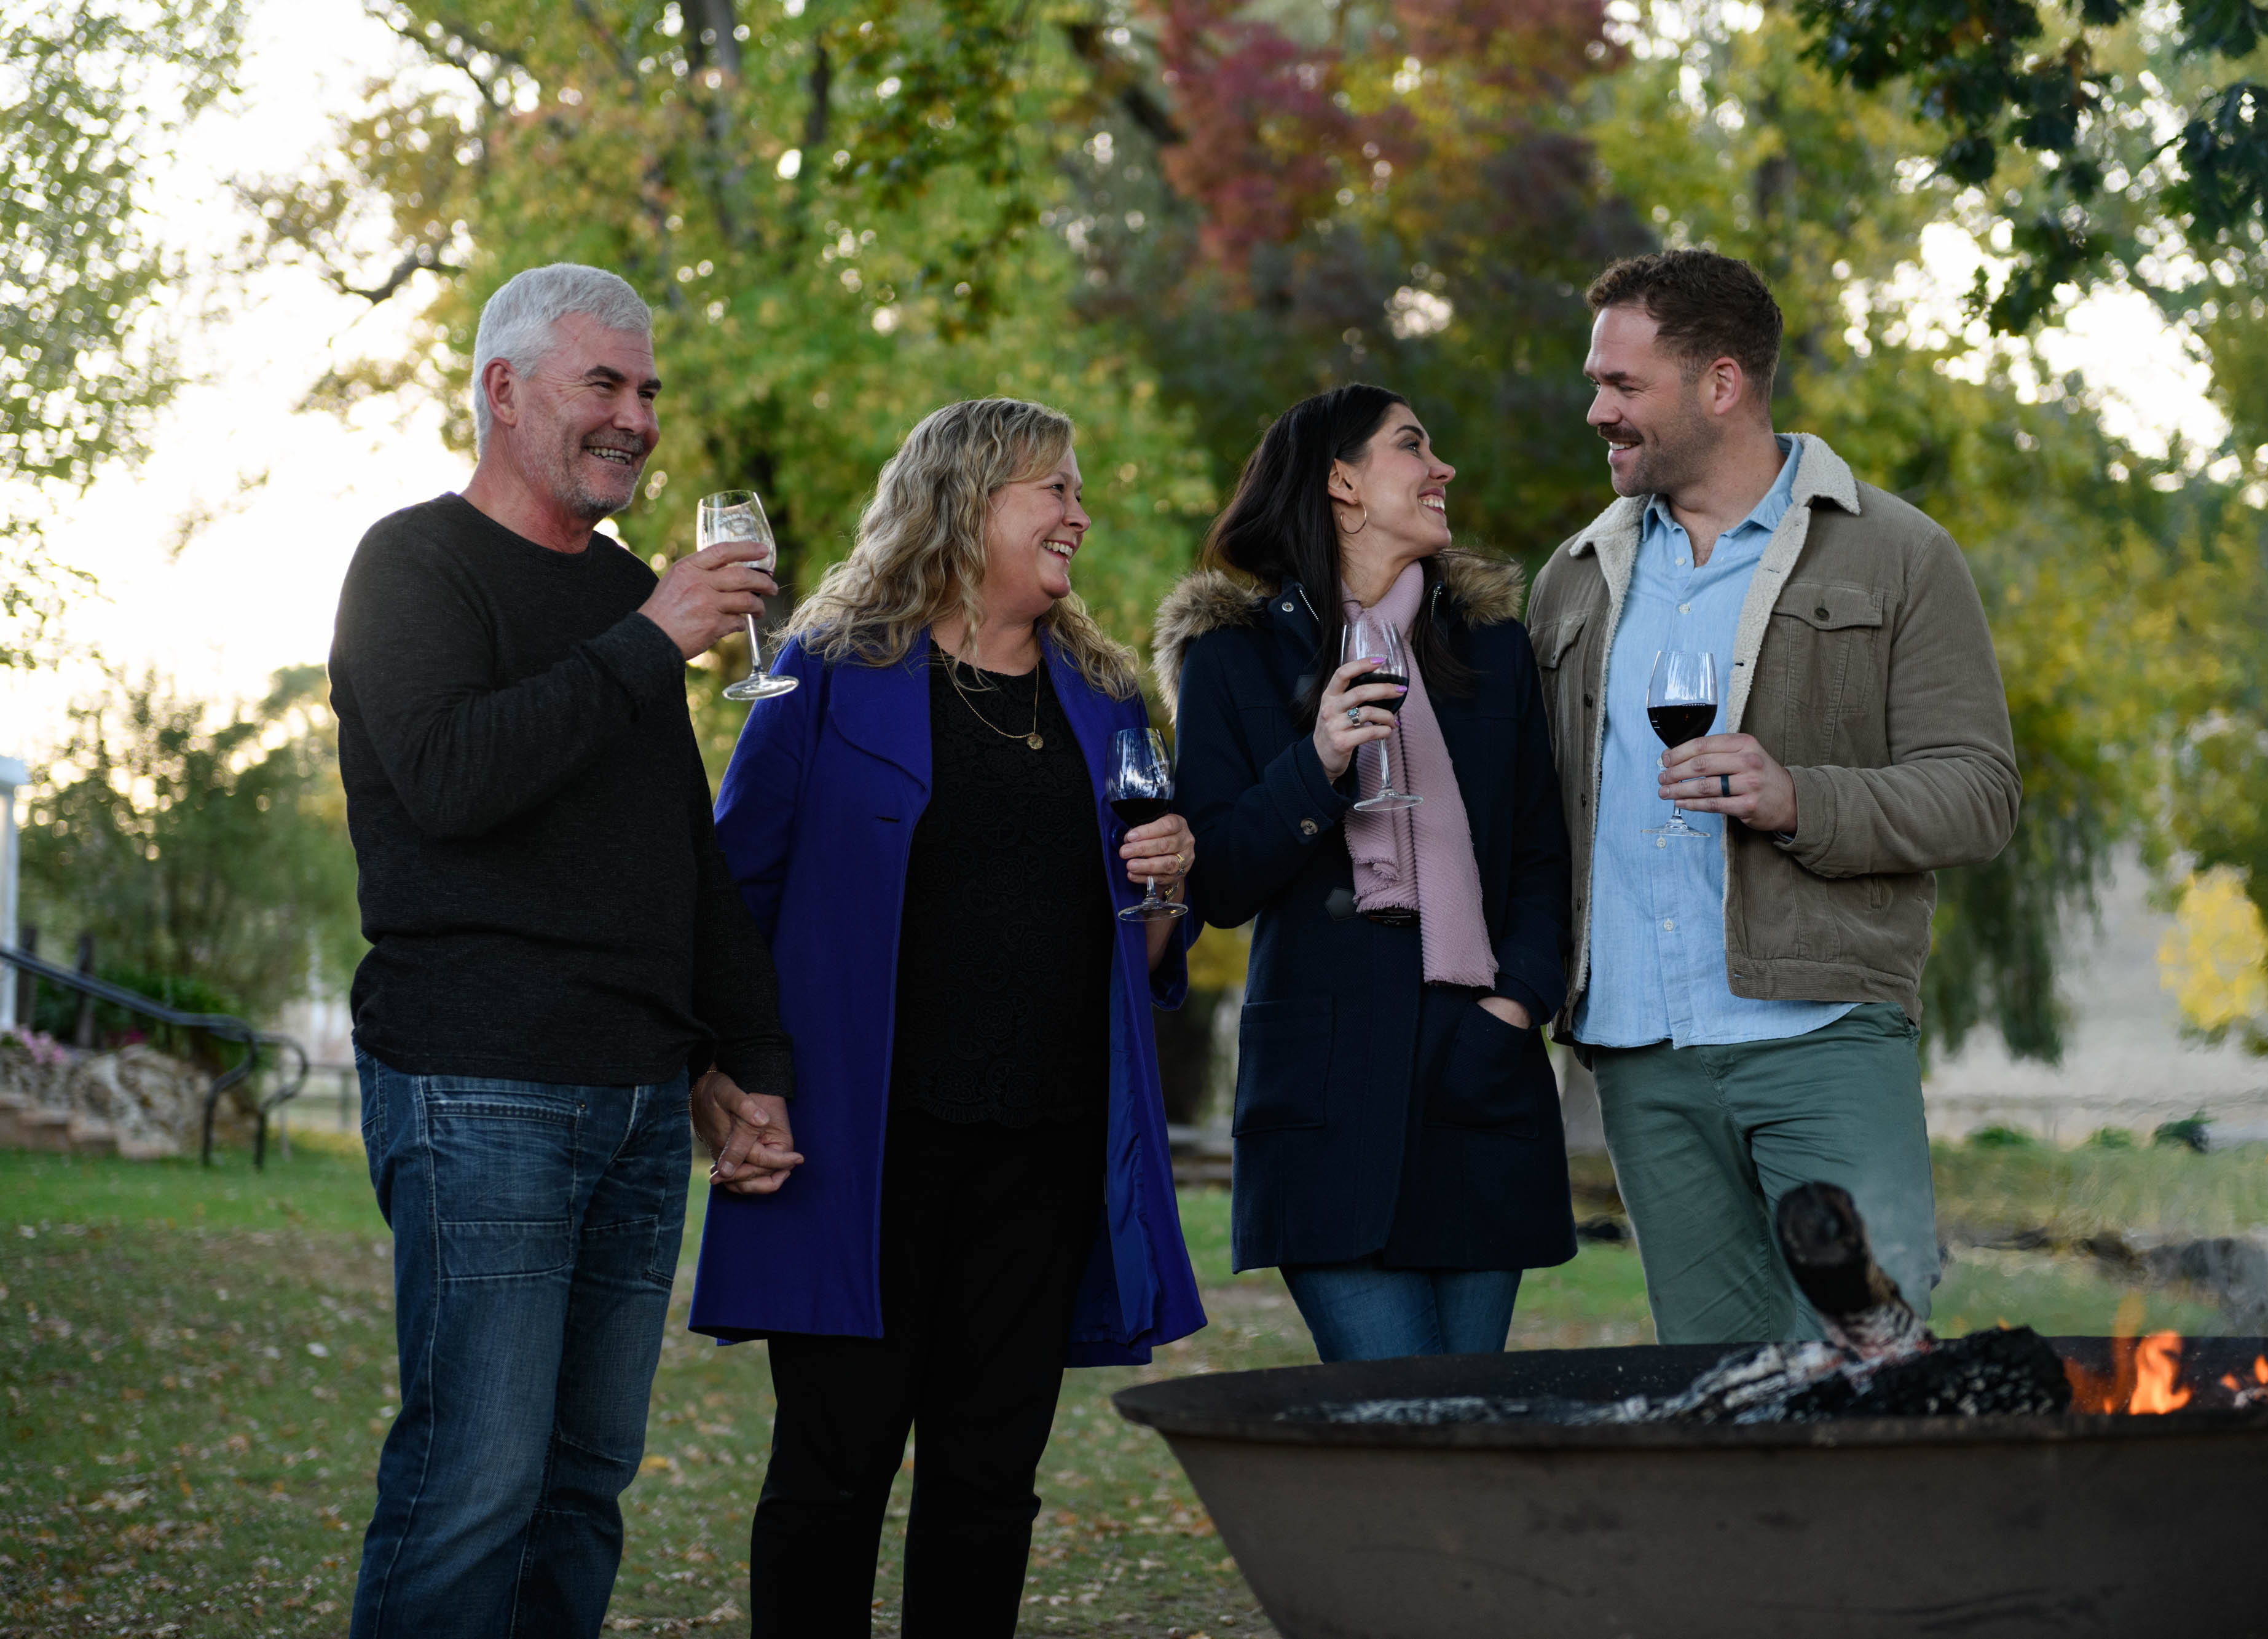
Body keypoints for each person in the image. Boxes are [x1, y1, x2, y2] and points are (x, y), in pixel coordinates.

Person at [684, 397, 1207, 1638]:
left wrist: (1168, 886)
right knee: (831, 1472)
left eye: (1078, 491)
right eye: (1054, 489)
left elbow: (1138, 951)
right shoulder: (823, 669)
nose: (1079, 514)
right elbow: (730, 886)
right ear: (967, 501)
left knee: (986, 1483)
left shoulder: (1103, 694)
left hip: (1043, 1148)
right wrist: (722, 1075)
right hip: (862, 1149)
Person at [329, 263, 798, 1638]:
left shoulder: (626, 590)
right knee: (473, 1481)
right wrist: (650, 639)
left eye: (648, 389)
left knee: (583, 1486)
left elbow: (679, 852)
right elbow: (452, 778)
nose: (638, 417)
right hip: (477, 1081)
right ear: (504, 390)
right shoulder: (410, 564)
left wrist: (741, 1055)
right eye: (603, 383)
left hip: (638, 1095)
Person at [1526, 249, 2022, 1346]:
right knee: (1717, 1390)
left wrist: (1800, 797)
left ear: (1721, 383)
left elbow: (1980, 793)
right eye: (1597, 382)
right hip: (1638, 1052)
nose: (1597, 409)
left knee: (1871, 1360)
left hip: (1822, 1036)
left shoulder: (1900, 554)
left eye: (1623, 385)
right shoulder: (1572, 577)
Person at [1156, 383, 1575, 1363]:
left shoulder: (1495, 652)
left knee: (1467, 1424)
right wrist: (1319, 763)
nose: (1444, 470)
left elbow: (1544, 853)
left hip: (1478, 1077)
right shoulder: (1232, 661)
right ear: (1342, 481)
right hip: (1324, 1086)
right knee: (1391, 1412)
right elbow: (1215, 883)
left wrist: (1514, 1008)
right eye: (1413, 447)